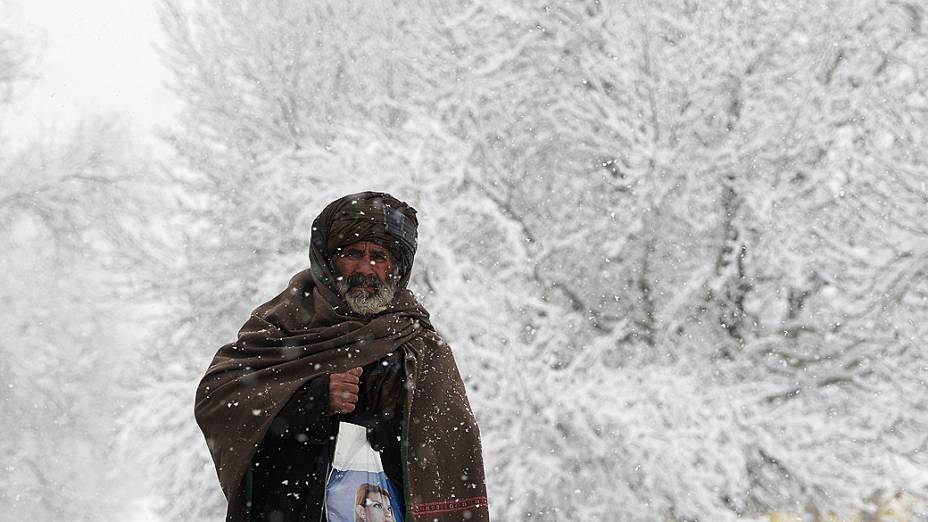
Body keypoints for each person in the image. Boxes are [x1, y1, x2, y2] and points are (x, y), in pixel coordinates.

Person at [195, 192, 489, 522]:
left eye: (379, 256)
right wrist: (314, 399)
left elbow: (447, 451)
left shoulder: (418, 344)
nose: (366, 268)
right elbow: (218, 399)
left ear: (396, 267)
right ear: (329, 261)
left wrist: (387, 410)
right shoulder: (285, 322)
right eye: (353, 254)